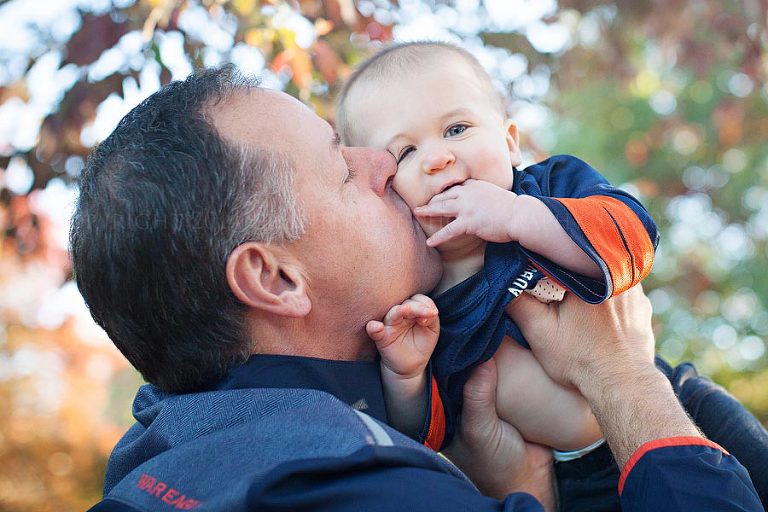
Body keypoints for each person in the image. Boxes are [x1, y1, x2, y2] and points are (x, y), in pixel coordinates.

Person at [73, 66, 761, 511]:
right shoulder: (363, 485)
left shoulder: (157, 452)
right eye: (343, 167)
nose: (388, 165)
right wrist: (624, 380)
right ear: (275, 278)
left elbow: (627, 230)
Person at [337, 41, 768, 509]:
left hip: (676, 403)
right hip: (572, 478)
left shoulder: (546, 189)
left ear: (508, 142)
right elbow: (424, 431)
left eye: (457, 128)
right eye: (405, 153)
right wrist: (406, 376)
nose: (437, 158)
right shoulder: (415, 292)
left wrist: (521, 216)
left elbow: (633, 239)